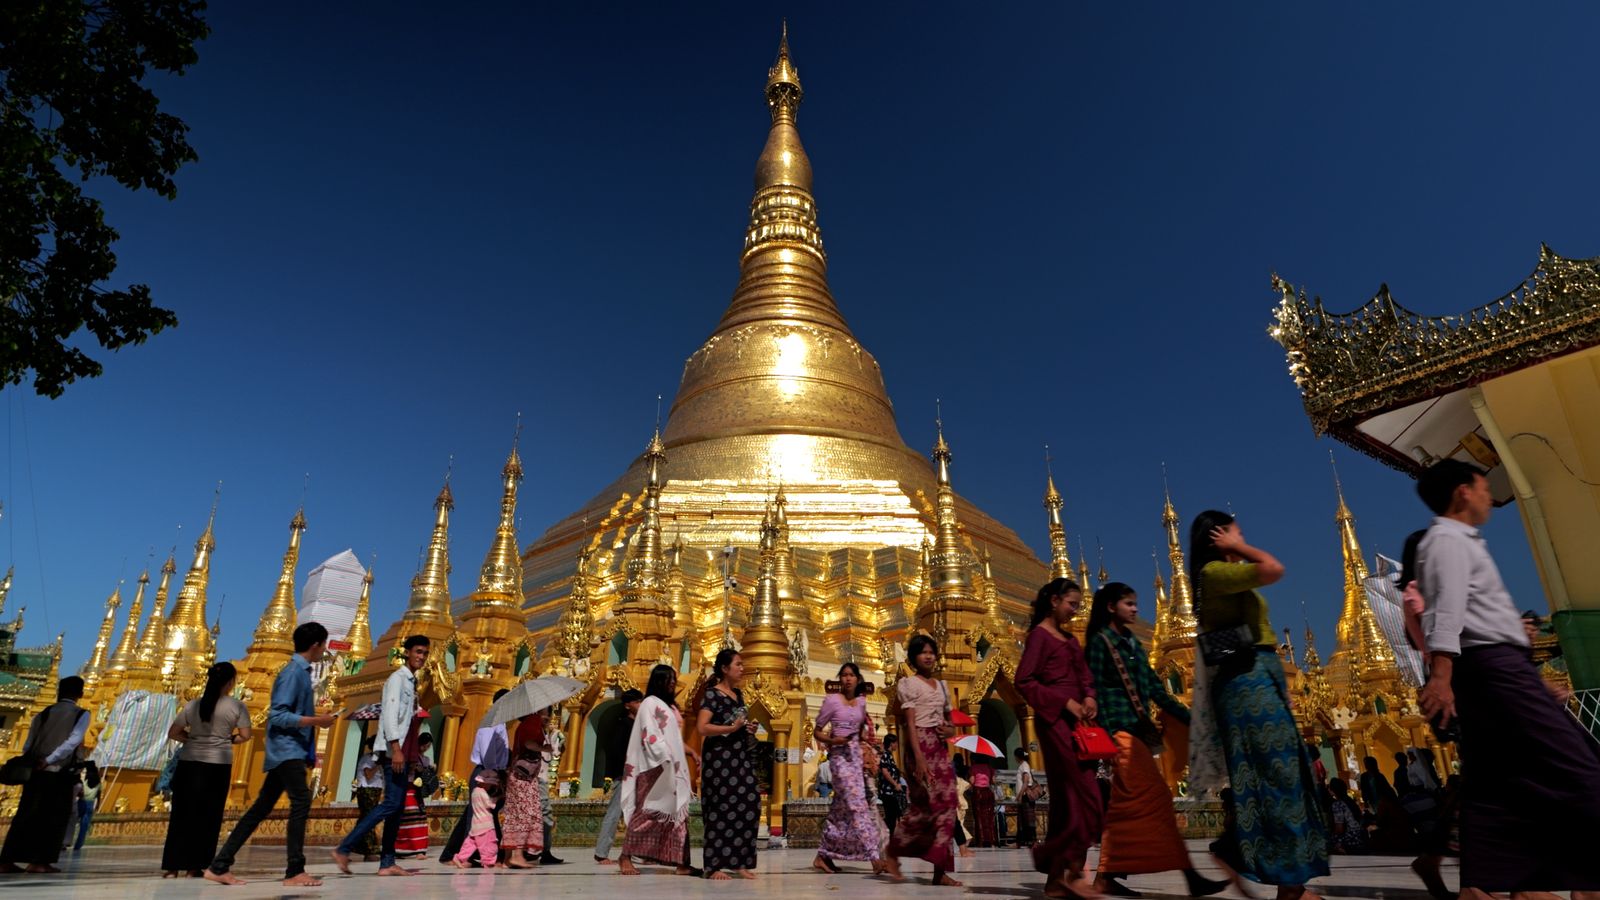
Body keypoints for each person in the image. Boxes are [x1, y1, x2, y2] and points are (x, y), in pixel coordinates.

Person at [1414, 459, 1600, 896]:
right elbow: (1445, 609)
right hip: (1492, 669)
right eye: (1483, 487)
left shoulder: (1458, 541)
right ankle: (1587, 879)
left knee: (1493, 786)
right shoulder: (1447, 541)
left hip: (1498, 669)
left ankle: (1479, 888)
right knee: (1581, 770)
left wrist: (1532, 679)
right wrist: (1441, 674)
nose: (1488, 496)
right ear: (1463, 491)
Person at [1186, 511, 1328, 900]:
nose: (1242, 537)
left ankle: (1270, 870)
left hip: (1258, 677)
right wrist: (1239, 548)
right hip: (1248, 685)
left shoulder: (1223, 578)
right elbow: (1273, 568)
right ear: (1218, 537)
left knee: (1282, 774)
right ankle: (1287, 880)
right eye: (1236, 532)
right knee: (1276, 776)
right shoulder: (1214, 573)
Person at [1083, 581, 1226, 898]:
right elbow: (1093, 690)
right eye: (1129, 604)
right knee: (1150, 800)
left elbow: (1156, 690)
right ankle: (1188, 876)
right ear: (1111, 607)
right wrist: (1106, 739)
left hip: (1138, 733)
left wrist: (1192, 719)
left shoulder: (1133, 644)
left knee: (1140, 804)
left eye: (1135, 603)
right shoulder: (1099, 643)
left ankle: (1108, 875)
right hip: (1118, 734)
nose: (1135, 609)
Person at [203, 623, 337, 886]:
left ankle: (219, 865)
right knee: (301, 801)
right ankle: (295, 870)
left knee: (260, 808)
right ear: (316, 645)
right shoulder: (293, 673)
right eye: (324, 645)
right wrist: (316, 721)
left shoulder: (301, 673)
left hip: (289, 750)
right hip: (287, 750)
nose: (325, 650)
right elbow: (277, 715)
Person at [1014, 579, 1103, 899]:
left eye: (1078, 605)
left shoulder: (1070, 640)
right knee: (1079, 794)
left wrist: (1089, 697)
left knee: (1079, 798)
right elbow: (1024, 680)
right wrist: (1065, 702)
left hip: (1079, 724)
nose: (1075, 610)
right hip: (1054, 723)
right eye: (1071, 604)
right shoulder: (1039, 636)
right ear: (1054, 601)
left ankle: (1056, 877)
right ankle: (1074, 873)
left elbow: (1085, 677)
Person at [333, 633, 430, 877]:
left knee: (396, 808)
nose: (422, 657)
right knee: (390, 805)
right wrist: (395, 749)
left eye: (425, 653)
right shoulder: (397, 679)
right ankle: (345, 847)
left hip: (405, 752)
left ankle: (387, 862)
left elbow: (408, 720)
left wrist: (410, 756)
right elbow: (389, 715)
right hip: (394, 751)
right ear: (407, 653)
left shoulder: (412, 683)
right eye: (418, 652)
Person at [882, 635, 961, 888]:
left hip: (939, 747)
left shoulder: (943, 686)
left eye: (931, 652)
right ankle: (894, 849)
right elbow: (910, 724)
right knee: (924, 806)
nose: (928, 656)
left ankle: (940, 870)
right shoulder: (909, 684)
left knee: (949, 803)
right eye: (922, 652)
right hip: (919, 746)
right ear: (913, 657)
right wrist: (918, 759)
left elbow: (951, 722)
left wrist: (950, 731)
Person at [162, 662, 250, 877]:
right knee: (208, 816)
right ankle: (195, 867)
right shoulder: (236, 706)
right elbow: (245, 736)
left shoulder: (193, 705)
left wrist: (192, 739)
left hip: (189, 763)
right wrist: (226, 740)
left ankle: (172, 867)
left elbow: (173, 732)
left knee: (182, 814)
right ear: (231, 682)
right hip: (218, 765)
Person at [0, 676, 88, 874]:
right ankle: (39, 862)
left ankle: (6, 861)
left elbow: (29, 742)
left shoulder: (43, 713)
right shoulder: (80, 714)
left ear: (59, 691)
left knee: (25, 815)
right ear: (80, 694)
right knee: (53, 818)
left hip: (35, 771)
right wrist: (49, 759)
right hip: (58, 772)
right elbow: (73, 741)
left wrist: (33, 761)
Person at [618, 664, 698, 877]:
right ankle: (625, 856)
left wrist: (689, 755)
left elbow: (675, 738)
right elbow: (649, 733)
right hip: (655, 766)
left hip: (674, 766)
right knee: (647, 813)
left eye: (673, 679)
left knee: (678, 814)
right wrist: (664, 756)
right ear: (658, 682)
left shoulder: (670, 707)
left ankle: (682, 862)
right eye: (667, 679)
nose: (672, 683)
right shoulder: (649, 703)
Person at [813, 662, 885, 874]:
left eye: (851, 675)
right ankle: (875, 858)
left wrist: (868, 744)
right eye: (844, 675)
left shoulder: (861, 702)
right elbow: (817, 731)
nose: (847, 679)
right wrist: (833, 741)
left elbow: (860, 730)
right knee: (857, 805)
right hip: (839, 757)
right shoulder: (832, 701)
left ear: (857, 679)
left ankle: (822, 856)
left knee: (840, 810)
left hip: (854, 757)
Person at [697, 648, 760, 880]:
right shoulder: (712, 695)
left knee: (749, 803)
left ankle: (739, 861)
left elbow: (737, 724)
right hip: (719, 759)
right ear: (725, 668)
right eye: (738, 664)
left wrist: (746, 728)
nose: (742, 668)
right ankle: (713, 865)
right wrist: (731, 728)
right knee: (721, 807)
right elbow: (702, 727)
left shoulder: (738, 695)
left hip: (739, 756)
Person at [439, 687, 511, 865]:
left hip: (491, 772)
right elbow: (487, 751)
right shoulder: (492, 721)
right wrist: (493, 775)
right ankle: (469, 856)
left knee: (474, 814)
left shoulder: (500, 722)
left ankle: (451, 853)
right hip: (486, 773)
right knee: (478, 816)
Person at [595, 689, 644, 864]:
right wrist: (626, 769)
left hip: (638, 774)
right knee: (615, 812)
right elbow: (617, 751)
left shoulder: (639, 725)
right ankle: (601, 853)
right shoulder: (623, 725)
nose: (640, 704)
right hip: (624, 774)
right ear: (627, 705)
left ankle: (636, 851)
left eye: (641, 700)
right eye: (637, 701)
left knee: (637, 814)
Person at [501, 710, 547, 867]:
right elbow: (529, 743)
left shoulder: (525, 725)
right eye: (547, 711)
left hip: (517, 776)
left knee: (514, 814)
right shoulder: (532, 722)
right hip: (524, 779)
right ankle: (518, 855)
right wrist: (544, 748)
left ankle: (508, 857)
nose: (548, 715)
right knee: (526, 813)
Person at [450, 770, 502, 869]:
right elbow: (490, 805)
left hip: (475, 824)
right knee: (488, 843)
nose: (491, 786)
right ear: (485, 783)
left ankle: (459, 858)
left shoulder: (474, 791)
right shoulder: (482, 792)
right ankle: (489, 862)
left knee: (470, 845)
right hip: (485, 824)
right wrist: (497, 798)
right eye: (490, 784)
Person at [395, 731, 435, 857]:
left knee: (420, 818)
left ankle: (419, 848)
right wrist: (412, 768)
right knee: (408, 817)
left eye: (428, 746)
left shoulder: (426, 759)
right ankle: (401, 848)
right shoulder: (410, 757)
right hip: (408, 789)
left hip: (418, 791)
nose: (425, 748)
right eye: (424, 745)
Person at [352, 739, 383, 861]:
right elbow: (368, 775)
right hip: (367, 790)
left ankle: (347, 847)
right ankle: (369, 851)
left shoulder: (378, 759)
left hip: (375, 790)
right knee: (369, 818)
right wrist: (378, 765)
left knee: (365, 819)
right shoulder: (368, 758)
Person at [877, 732, 908, 838]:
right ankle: (885, 838)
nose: (897, 745)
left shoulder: (889, 756)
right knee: (891, 817)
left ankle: (890, 838)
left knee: (893, 816)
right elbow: (885, 771)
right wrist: (895, 784)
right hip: (887, 791)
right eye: (895, 743)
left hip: (891, 792)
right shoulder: (886, 755)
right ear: (891, 743)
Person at [1326, 780, 1367, 854]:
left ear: (1332, 791)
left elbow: (1339, 829)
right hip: (1361, 836)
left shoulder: (1337, 804)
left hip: (1351, 839)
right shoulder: (1350, 801)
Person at [968, 755, 997, 848]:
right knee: (989, 817)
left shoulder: (973, 767)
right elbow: (993, 781)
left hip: (978, 793)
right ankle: (991, 840)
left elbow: (972, 781)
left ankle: (981, 840)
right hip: (988, 793)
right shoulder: (990, 768)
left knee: (979, 817)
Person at [71, 761, 100, 851]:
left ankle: (66, 841)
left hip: (81, 802)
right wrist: (98, 805)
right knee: (84, 827)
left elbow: (80, 792)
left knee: (72, 822)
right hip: (90, 804)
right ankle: (78, 845)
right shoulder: (98, 783)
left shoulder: (85, 781)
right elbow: (98, 795)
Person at [1013, 747, 1038, 848]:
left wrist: (1019, 795)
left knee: (1028, 820)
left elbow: (1026, 782)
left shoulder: (1024, 766)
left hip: (1025, 796)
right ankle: (1020, 842)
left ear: (1017, 757)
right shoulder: (1023, 765)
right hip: (1024, 796)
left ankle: (1033, 841)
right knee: (1022, 820)